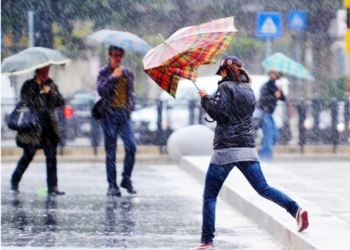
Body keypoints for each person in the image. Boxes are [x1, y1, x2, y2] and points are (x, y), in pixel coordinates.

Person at [191, 56, 308, 250]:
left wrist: (205, 99)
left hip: (226, 149)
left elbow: (219, 113)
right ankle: (296, 209)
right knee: (264, 188)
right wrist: (211, 100)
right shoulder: (248, 89)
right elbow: (233, 112)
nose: (219, 75)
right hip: (247, 148)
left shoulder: (225, 87)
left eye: (220, 71)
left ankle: (207, 241)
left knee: (210, 196)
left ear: (224, 70)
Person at [10, 66, 65, 195]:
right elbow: (26, 101)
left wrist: (50, 92)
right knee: (28, 156)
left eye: (48, 70)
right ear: (38, 71)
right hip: (33, 128)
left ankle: (53, 186)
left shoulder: (51, 84)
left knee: (51, 158)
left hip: (49, 127)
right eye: (44, 71)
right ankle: (15, 179)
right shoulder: (28, 85)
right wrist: (38, 89)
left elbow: (60, 101)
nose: (46, 73)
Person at [97, 45, 137, 197]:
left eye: (120, 55)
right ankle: (112, 185)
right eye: (114, 55)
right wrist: (113, 77)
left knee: (131, 146)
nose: (117, 58)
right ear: (109, 56)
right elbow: (101, 90)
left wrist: (129, 107)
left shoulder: (128, 73)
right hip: (109, 115)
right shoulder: (104, 72)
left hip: (124, 114)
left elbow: (131, 94)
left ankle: (126, 178)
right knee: (111, 152)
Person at [257, 70, 285, 161]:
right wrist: (274, 96)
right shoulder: (266, 86)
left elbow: (282, 98)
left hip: (269, 114)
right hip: (264, 112)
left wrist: (280, 91)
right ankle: (265, 156)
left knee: (274, 135)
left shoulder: (275, 86)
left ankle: (263, 153)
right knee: (268, 135)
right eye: (273, 73)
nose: (275, 75)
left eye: (276, 73)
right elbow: (263, 100)